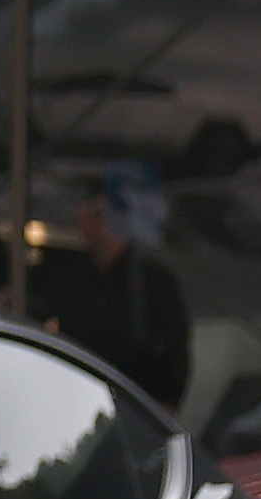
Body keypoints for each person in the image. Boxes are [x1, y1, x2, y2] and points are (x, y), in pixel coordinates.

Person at [25, 169, 195, 409]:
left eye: (93, 212)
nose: (82, 221)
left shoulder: (152, 282)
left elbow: (173, 353)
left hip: (133, 405)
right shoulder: (74, 275)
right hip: (82, 403)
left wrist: (163, 406)